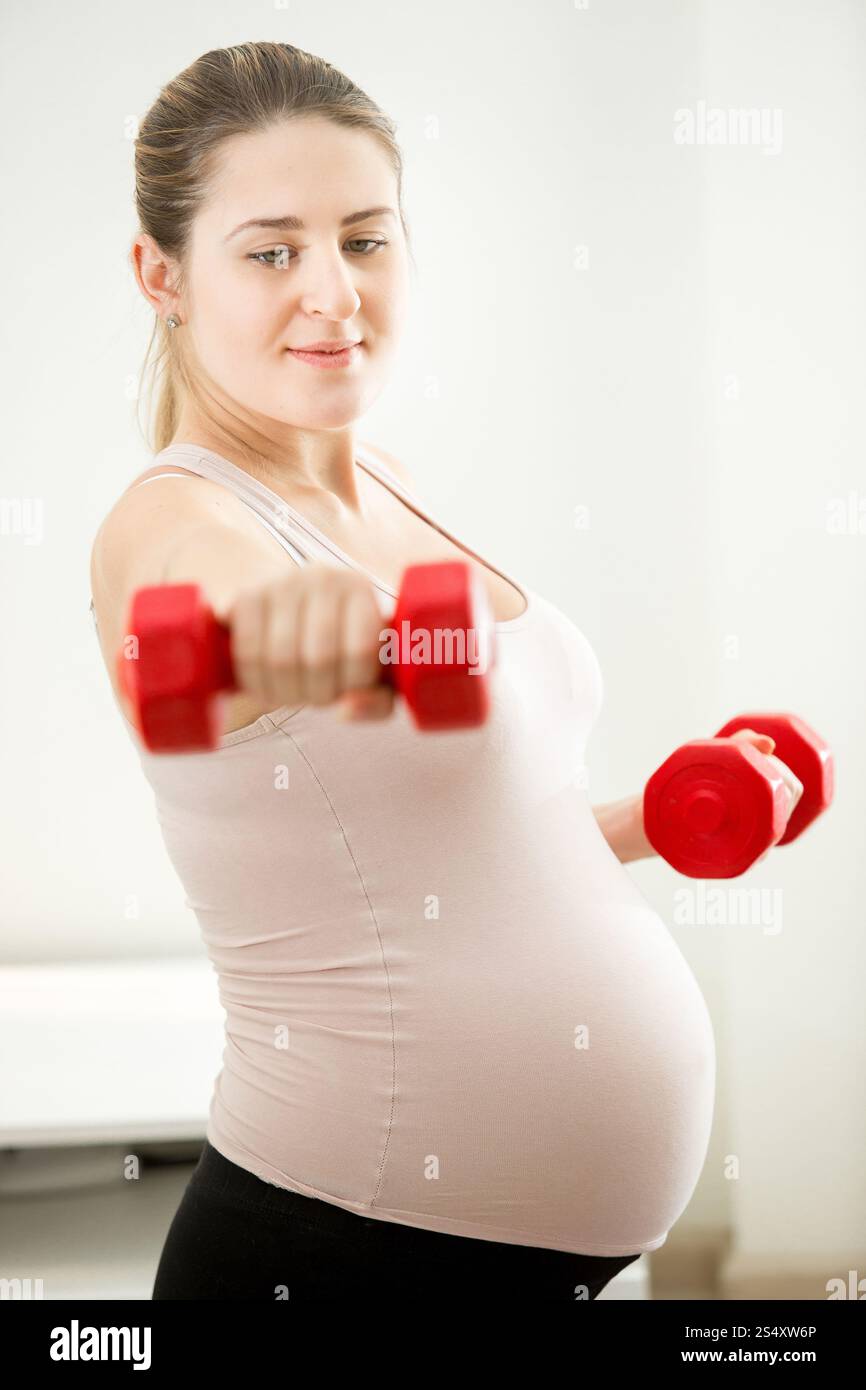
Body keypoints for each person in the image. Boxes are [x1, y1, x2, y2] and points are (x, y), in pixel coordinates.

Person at [89, 41, 801, 1302]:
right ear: (163, 276)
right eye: (269, 251)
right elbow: (202, 631)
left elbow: (443, 838)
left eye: (364, 239)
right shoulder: (172, 527)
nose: (331, 292)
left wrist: (646, 821)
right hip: (340, 1256)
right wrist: (281, 634)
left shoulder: (393, 487)